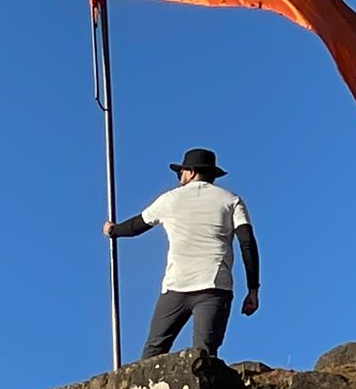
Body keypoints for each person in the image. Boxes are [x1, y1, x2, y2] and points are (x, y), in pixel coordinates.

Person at [103, 147, 260, 359]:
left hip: (176, 286)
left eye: (181, 172)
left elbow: (136, 226)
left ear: (191, 172)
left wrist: (113, 230)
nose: (179, 178)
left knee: (154, 350)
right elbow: (247, 243)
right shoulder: (231, 201)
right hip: (215, 286)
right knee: (205, 356)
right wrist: (252, 289)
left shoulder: (170, 199)